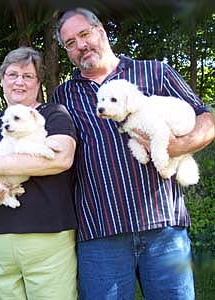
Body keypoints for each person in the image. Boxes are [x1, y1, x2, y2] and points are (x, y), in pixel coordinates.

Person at [52, 8, 215, 300]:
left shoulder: (155, 71)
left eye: (84, 34)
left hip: (163, 226)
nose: (80, 45)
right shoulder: (63, 96)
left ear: (100, 30)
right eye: (70, 43)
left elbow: (207, 118)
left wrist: (177, 146)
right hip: (101, 231)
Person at [0, 46, 78, 300]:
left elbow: (60, 159)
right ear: (2, 80)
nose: (19, 82)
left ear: (38, 82)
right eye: (12, 74)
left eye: (28, 76)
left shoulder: (53, 114)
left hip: (46, 234)